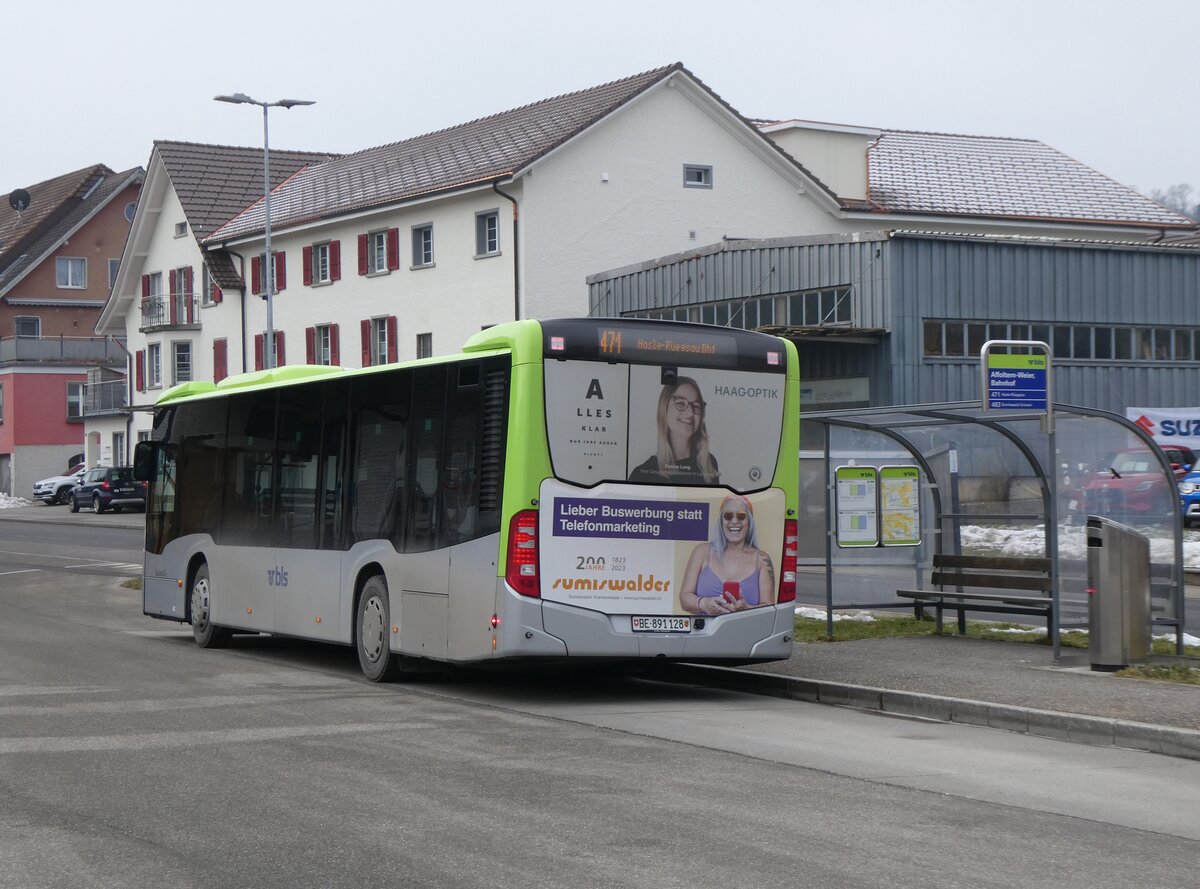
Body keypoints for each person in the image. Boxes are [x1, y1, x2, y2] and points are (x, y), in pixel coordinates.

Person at [679, 495, 775, 615]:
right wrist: (704, 603)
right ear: (721, 521)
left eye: (741, 516)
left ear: (749, 522)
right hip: (705, 627)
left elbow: (769, 608)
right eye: (728, 516)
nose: (734, 521)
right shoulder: (702, 551)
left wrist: (747, 608)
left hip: (748, 627)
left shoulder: (761, 559)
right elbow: (684, 598)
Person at [628, 377, 719, 484]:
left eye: (696, 406)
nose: (690, 412)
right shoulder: (641, 474)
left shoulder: (708, 464)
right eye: (680, 403)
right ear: (664, 408)